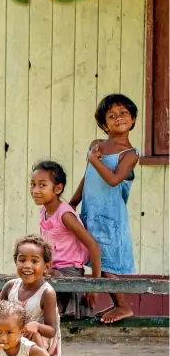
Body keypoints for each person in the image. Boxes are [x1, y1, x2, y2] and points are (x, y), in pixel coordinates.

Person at [70, 94, 139, 324]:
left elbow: (113, 180)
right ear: (103, 124)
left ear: (133, 119)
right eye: (111, 115)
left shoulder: (130, 154)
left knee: (107, 262)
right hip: (92, 212)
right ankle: (115, 302)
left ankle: (123, 306)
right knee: (95, 256)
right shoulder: (96, 145)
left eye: (123, 113)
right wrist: (72, 202)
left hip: (111, 216)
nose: (118, 117)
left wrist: (94, 159)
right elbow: (87, 177)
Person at [30, 160, 101, 319]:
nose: (35, 190)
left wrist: (96, 286)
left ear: (58, 188)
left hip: (69, 272)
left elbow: (93, 246)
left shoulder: (65, 215)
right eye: (32, 184)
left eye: (42, 185)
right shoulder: (44, 211)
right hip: (52, 269)